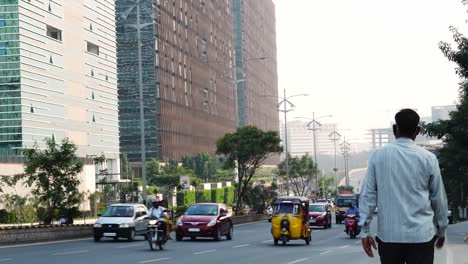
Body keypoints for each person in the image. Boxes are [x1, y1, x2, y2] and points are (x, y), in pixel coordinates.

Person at [359, 109, 448, 264]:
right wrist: (441, 230)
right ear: (418, 131)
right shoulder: (429, 158)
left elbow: (368, 195)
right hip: (422, 237)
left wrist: (365, 231)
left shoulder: (378, 156)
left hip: (389, 237)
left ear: (395, 129)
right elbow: (438, 199)